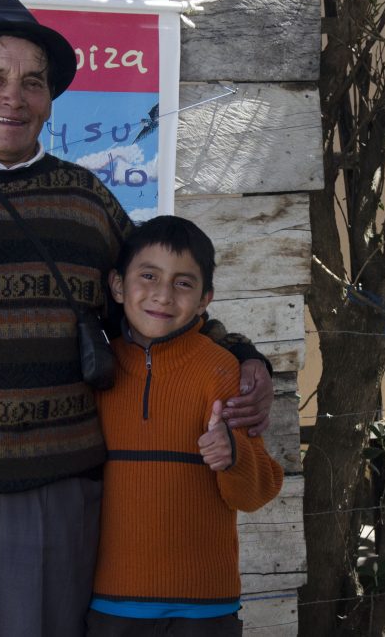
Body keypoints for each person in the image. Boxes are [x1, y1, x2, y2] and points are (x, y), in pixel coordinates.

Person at [0, 0, 274, 637]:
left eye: (32, 81)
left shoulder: (86, 202)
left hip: (50, 484)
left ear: (50, 98)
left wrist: (243, 355)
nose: (14, 96)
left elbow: (146, 307)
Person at [88, 216, 283, 636]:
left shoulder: (221, 371)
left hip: (205, 605)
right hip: (113, 597)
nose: (162, 294)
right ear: (118, 286)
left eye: (183, 283)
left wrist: (233, 457)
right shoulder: (97, 371)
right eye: (148, 276)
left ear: (204, 299)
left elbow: (258, 492)